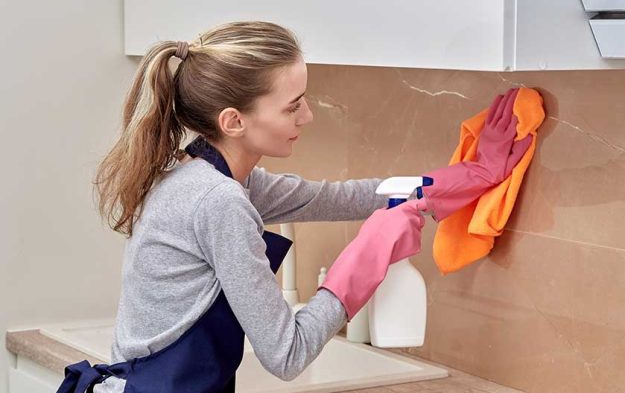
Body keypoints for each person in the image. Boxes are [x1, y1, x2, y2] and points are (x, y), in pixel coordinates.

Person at [56, 21, 531, 393]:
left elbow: (340, 196)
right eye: (292, 106)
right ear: (234, 121)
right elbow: (287, 354)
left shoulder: (209, 176)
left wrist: (471, 176)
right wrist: (368, 257)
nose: (307, 116)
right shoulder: (217, 201)